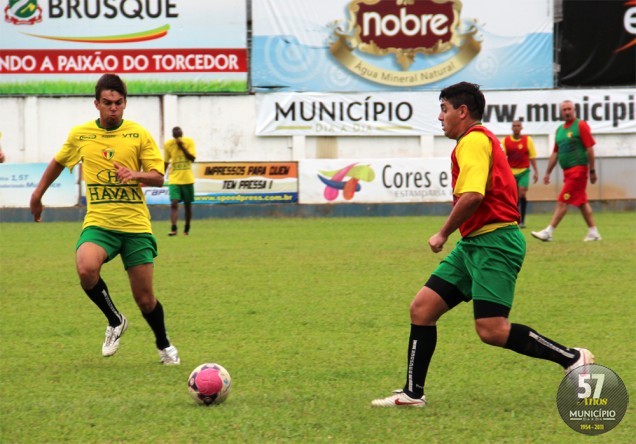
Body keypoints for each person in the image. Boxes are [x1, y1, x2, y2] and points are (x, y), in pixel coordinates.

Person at [371, 82, 594, 408]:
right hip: (475, 242)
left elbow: (473, 195)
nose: (440, 117)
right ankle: (412, 393)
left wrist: (443, 232)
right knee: (422, 308)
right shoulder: (481, 139)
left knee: (491, 329)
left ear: (462, 112)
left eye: (444, 109)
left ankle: (573, 358)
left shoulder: (473, 142)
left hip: (495, 242)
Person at [29, 73, 180, 365]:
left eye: (119, 103)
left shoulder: (138, 134)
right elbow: (59, 162)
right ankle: (115, 320)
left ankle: (163, 345)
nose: (113, 108)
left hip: (135, 227)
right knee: (85, 268)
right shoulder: (81, 135)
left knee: (146, 299)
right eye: (107, 103)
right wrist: (37, 195)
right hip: (100, 223)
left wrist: (135, 174)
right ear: (96, 103)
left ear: (125, 104)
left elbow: (159, 176)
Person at [531, 100, 601, 242]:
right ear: (561, 112)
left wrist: (592, 170)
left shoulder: (580, 125)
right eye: (564, 109)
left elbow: (590, 148)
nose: (567, 112)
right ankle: (593, 232)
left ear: (574, 110)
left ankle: (548, 231)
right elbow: (555, 153)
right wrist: (548, 173)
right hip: (567, 173)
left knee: (563, 200)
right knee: (581, 202)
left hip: (578, 171)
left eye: (569, 109)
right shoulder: (560, 130)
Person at [502, 120, 538, 228]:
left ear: (521, 128)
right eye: (514, 126)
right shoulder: (506, 141)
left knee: (522, 194)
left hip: (524, 171)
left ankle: (522, 220)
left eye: (518, 126)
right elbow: (502, 158)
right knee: (513, 197)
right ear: (512, 128)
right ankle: (514, 219)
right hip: (511, 172)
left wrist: (536, 171)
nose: (516, 127)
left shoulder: (528, 140)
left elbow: (532, 156)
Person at [164, 126, 196, 236]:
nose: (177, 137)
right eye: (175, 135)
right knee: (174, 203)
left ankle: (186, 229)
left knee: (187, 205)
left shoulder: (189, 141)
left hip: (187, 179)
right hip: (174, 179)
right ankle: (174, 229)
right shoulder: (168, 144)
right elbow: (166, 161)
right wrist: (161, 175)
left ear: (182, 134)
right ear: (173, 135)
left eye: (179, 135)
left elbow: (192, 158)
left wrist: (182, 146)